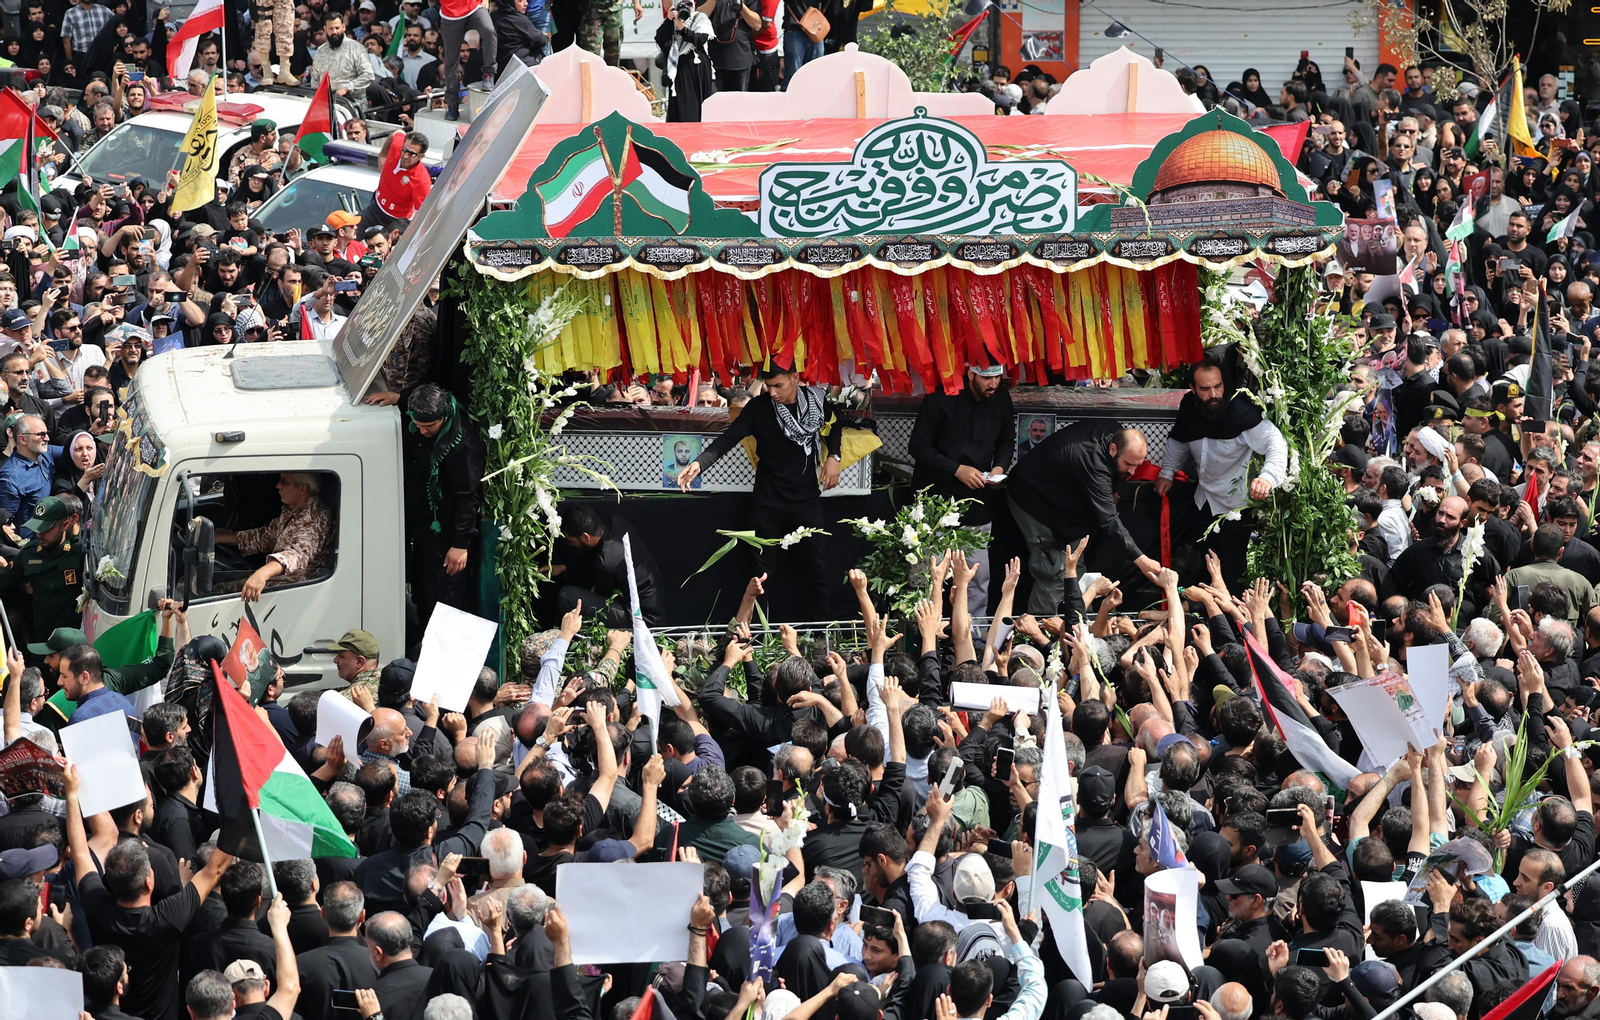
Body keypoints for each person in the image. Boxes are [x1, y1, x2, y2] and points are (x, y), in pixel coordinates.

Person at [676, 357, 840, 619]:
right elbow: (729, 439)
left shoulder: (817, 400)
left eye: (778, 385)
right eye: (768, 386)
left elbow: (835, 426)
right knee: (762, 574)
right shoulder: (759, 408)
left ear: (795, 378)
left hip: (807, 498)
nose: (772, 392)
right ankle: (760, 635)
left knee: (816, 568)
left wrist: (835, 456)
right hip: (768, 501)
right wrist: (699, 463)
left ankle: (820, 632)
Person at [1156, 355, 1289, 586]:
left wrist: (1267, 477)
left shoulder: (1240, 410)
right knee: (1204, 562)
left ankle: (1231, 618)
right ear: (1193, 389)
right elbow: (1179, 440)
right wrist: (1166, 473)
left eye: (1218, 386)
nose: (1214, 394)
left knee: (1232, 568)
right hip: (1204, 499)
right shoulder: (1190, 407)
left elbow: (1275, 443)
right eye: (1205, 389)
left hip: (1235, 505)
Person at [1005, 420, 1159, 614]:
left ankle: (1077, 624)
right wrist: (1143, 561)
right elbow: (1109, 521)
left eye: (1138, 465)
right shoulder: (1093, 462)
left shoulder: (1114, 431)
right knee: (1054, 572)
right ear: (1113, 449)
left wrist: (1111, 489)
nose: (1132, 472)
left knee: (1074, 566)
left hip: (1063, 503)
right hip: (1032, 498)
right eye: (1128, 464)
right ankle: (1040, 635)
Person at [907, 362, 1014, 614]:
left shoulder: (1001, 399)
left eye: (998, 378)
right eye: (987, 379)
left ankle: (973, 636)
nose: (994, 385)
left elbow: (1007, 438)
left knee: (976, 576)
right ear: (970, 375)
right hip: (935, 501)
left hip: (977, 501)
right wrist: (956, 469)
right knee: (926, 576)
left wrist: (999, 467)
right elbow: (918, 447)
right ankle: (925, 635)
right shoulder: (941, 397)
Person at [403, 384, 484, 628]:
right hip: (422, 531)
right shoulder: (418, 426)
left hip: (446, 536)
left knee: (444, 599)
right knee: (422, 591)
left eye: (429, 427)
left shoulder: (462, 444)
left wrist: (460, 544)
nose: (423, 431)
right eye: (418, 426)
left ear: (444, 416)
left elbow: (468, 497)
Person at [212, 473, 335, 602]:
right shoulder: (294, 511)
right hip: (280, 583)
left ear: (302, 489)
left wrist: (262, 574)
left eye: (284, 482)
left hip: (291, 591)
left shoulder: (314, 519)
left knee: (216, 591)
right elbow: (265, 537)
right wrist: (224, 537)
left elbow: (296, 555)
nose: (278, 485)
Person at [551, 504, 662, 626]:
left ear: (585, 537)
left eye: (571, 541)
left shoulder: (606, 565)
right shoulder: (616, 522)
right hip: (654, 605)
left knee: (566, 596)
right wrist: (564, 567)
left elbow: (600, 592)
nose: (571, 545)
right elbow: (593, 556)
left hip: (642, 618)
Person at [362, 131, 433, 234]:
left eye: (412, 154)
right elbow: (398, 132)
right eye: (404, 150)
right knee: (350, 233)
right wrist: (383, 154)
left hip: (395, 220)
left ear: (421, 156)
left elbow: (422, 216)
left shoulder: (422, 181)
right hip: (375, 207)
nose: (405, 156)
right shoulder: (396, 147)